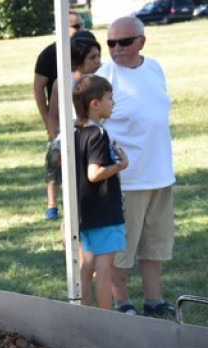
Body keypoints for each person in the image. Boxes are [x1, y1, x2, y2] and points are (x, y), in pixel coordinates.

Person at [97, 16, 177, 319]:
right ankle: (123, 302)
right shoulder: (104, 78)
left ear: (141, 41)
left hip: (160, 174)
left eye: (124, 42)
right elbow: (90, 129)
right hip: (126, 180)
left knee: (155, 244)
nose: (116, 48)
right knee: (122, 249)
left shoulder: (154, 67)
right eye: (111, 43)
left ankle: (154, 300)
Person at [72, 74, 128, 310]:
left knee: (88, 265)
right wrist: (120, 165)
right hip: (104, 211)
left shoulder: (76, 133)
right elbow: (94, 173)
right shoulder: (98, 134)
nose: (113, 103)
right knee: (104, 269)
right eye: (109, 98)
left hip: (84, 211)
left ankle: (86, 313)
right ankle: (106, 319)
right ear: (95, 103)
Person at [33, 11, 83, 220]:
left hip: (80, 118)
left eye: (81, 26)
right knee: (54, 164)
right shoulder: (49, 54)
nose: (79, 31)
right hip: (57, 118)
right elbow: (37, 89)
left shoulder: (84, 51)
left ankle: (75, 202)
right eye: (74, 27)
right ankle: (52, 205)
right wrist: (49, 124)